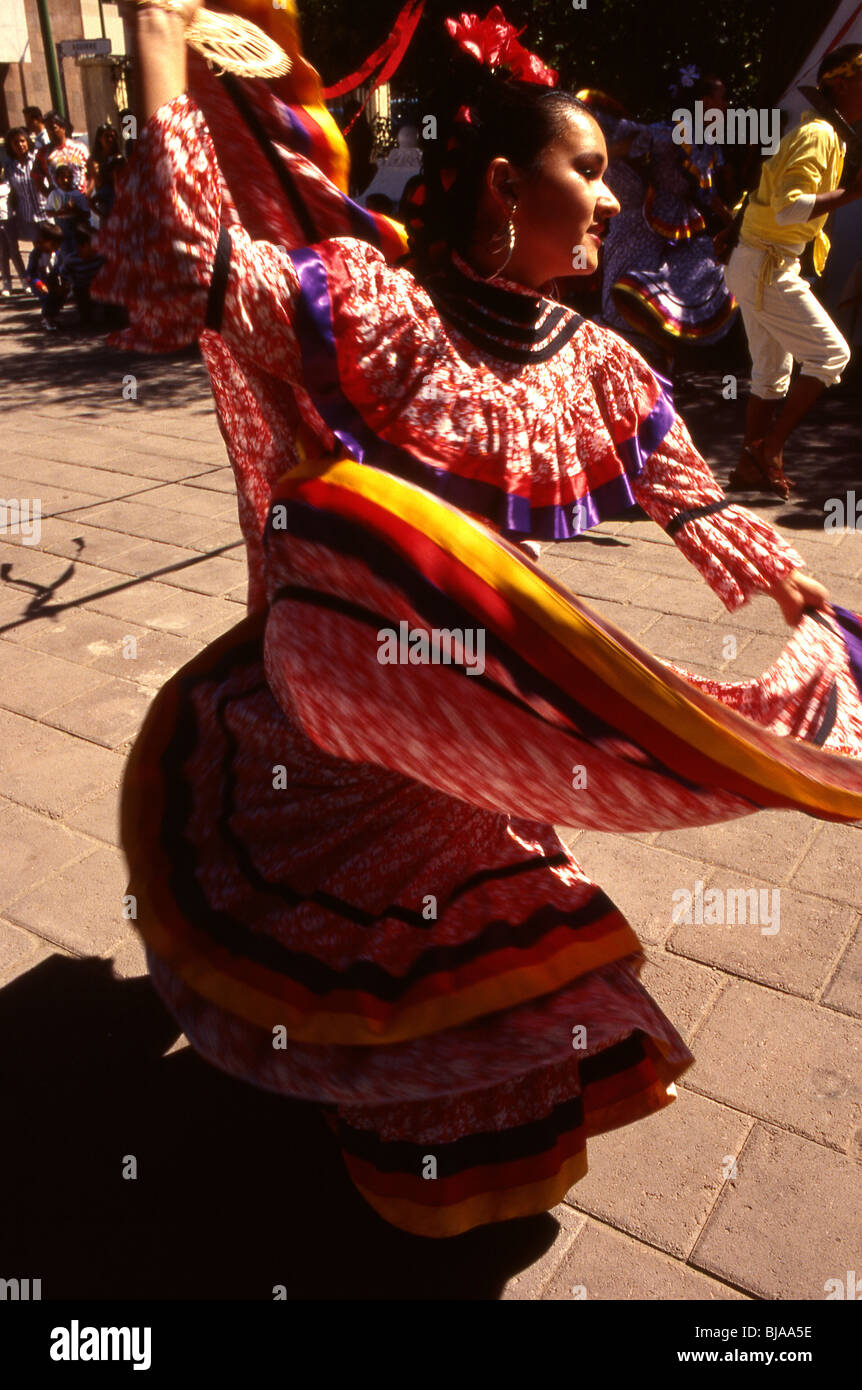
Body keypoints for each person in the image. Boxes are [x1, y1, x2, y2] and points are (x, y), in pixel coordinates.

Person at [97, 1, 862, 1239]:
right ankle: (398, 1159)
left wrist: (791, 592)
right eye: (590, 172)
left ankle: (446, 1147)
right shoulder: (380, 312)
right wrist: (156, 52)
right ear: (506, 184)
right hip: (358, 691)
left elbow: (689, 498)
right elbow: (194, 270)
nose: (614, 202)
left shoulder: (596, 361)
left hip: (477, 699)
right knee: (424, 935)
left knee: (484, 930)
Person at [724, 43, 862, 498]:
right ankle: (770, 451)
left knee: (770, 372)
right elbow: (789, 210)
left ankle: (749, 467)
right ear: (840, 83)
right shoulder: (820, 134)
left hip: (757, 261)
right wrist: (849, 195)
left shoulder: (823, 132)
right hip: (767, 264)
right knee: (832, 354)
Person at [586, 72, 738, 367]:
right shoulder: (665, 132)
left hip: (678, 226)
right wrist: (594, 168)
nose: (727, 104)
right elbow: (615, 147)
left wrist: (732, 219)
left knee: (687, 284)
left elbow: (706, 195)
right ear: (705, 102)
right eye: (723, 98)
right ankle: (615, 365)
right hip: (637, 224)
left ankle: (661, 365)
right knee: (623, 295)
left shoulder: (706, 143)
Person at [4, 126, 47, 249]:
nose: (20, 145)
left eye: (22, 141)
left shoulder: (37, 159)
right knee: (38, 250)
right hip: (27, 216)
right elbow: (10, 191)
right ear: (10, 146)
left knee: (53, 248)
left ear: (27, 141)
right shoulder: (9, 166)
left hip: (45, 212)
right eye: (15, 142)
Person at [33, 111, 89, 195]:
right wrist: (49, 197)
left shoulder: (80, 148)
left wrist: (88, 193)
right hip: (59, 204)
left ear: (63, 128)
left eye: (53, 128)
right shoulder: (43, 153)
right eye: (48, 129)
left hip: (81, 200)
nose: (51, 132)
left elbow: (92, 173)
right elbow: (36, 177)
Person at [26, 221, 66, 330]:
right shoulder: (36, 254)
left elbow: (60, 269)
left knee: (60, 295)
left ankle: (53, 315)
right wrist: (38, 283)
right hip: (39, 282)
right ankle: (47, 318)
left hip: (51, 280)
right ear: (43, 241)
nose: (56, 248)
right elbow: (30, 273)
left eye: (58, 245)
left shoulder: (56, 253)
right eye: (53, 244)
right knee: (47, 297)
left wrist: (63, 283)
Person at [86, 123, 125, 222]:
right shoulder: (93, 160)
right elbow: (96, 180)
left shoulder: (119, 158)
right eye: (106, 136)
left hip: (121, 199)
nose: (110, 139)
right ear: (99, 138)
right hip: (104, 199)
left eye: (112, 136)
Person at [0, 162, 28, 295]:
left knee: (14, 251)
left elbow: (15, 200)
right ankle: (6, 283)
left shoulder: (8, 183)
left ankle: (24, 280)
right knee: (2, 254)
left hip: (9, 220)